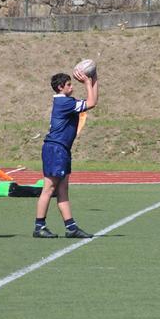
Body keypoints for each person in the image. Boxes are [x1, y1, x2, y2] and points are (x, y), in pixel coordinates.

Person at [33, 68, 98, 239]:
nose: (72, 87)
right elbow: (91, 103)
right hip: (55, 149)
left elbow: (93, 100)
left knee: (62, 188)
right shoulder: (64, 103)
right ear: (60, 87)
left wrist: (94, 78)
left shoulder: (66, 101)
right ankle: (39, 226)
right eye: (69, 85)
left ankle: (71, 227)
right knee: (49, 188)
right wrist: (88, 82)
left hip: (61, 149)